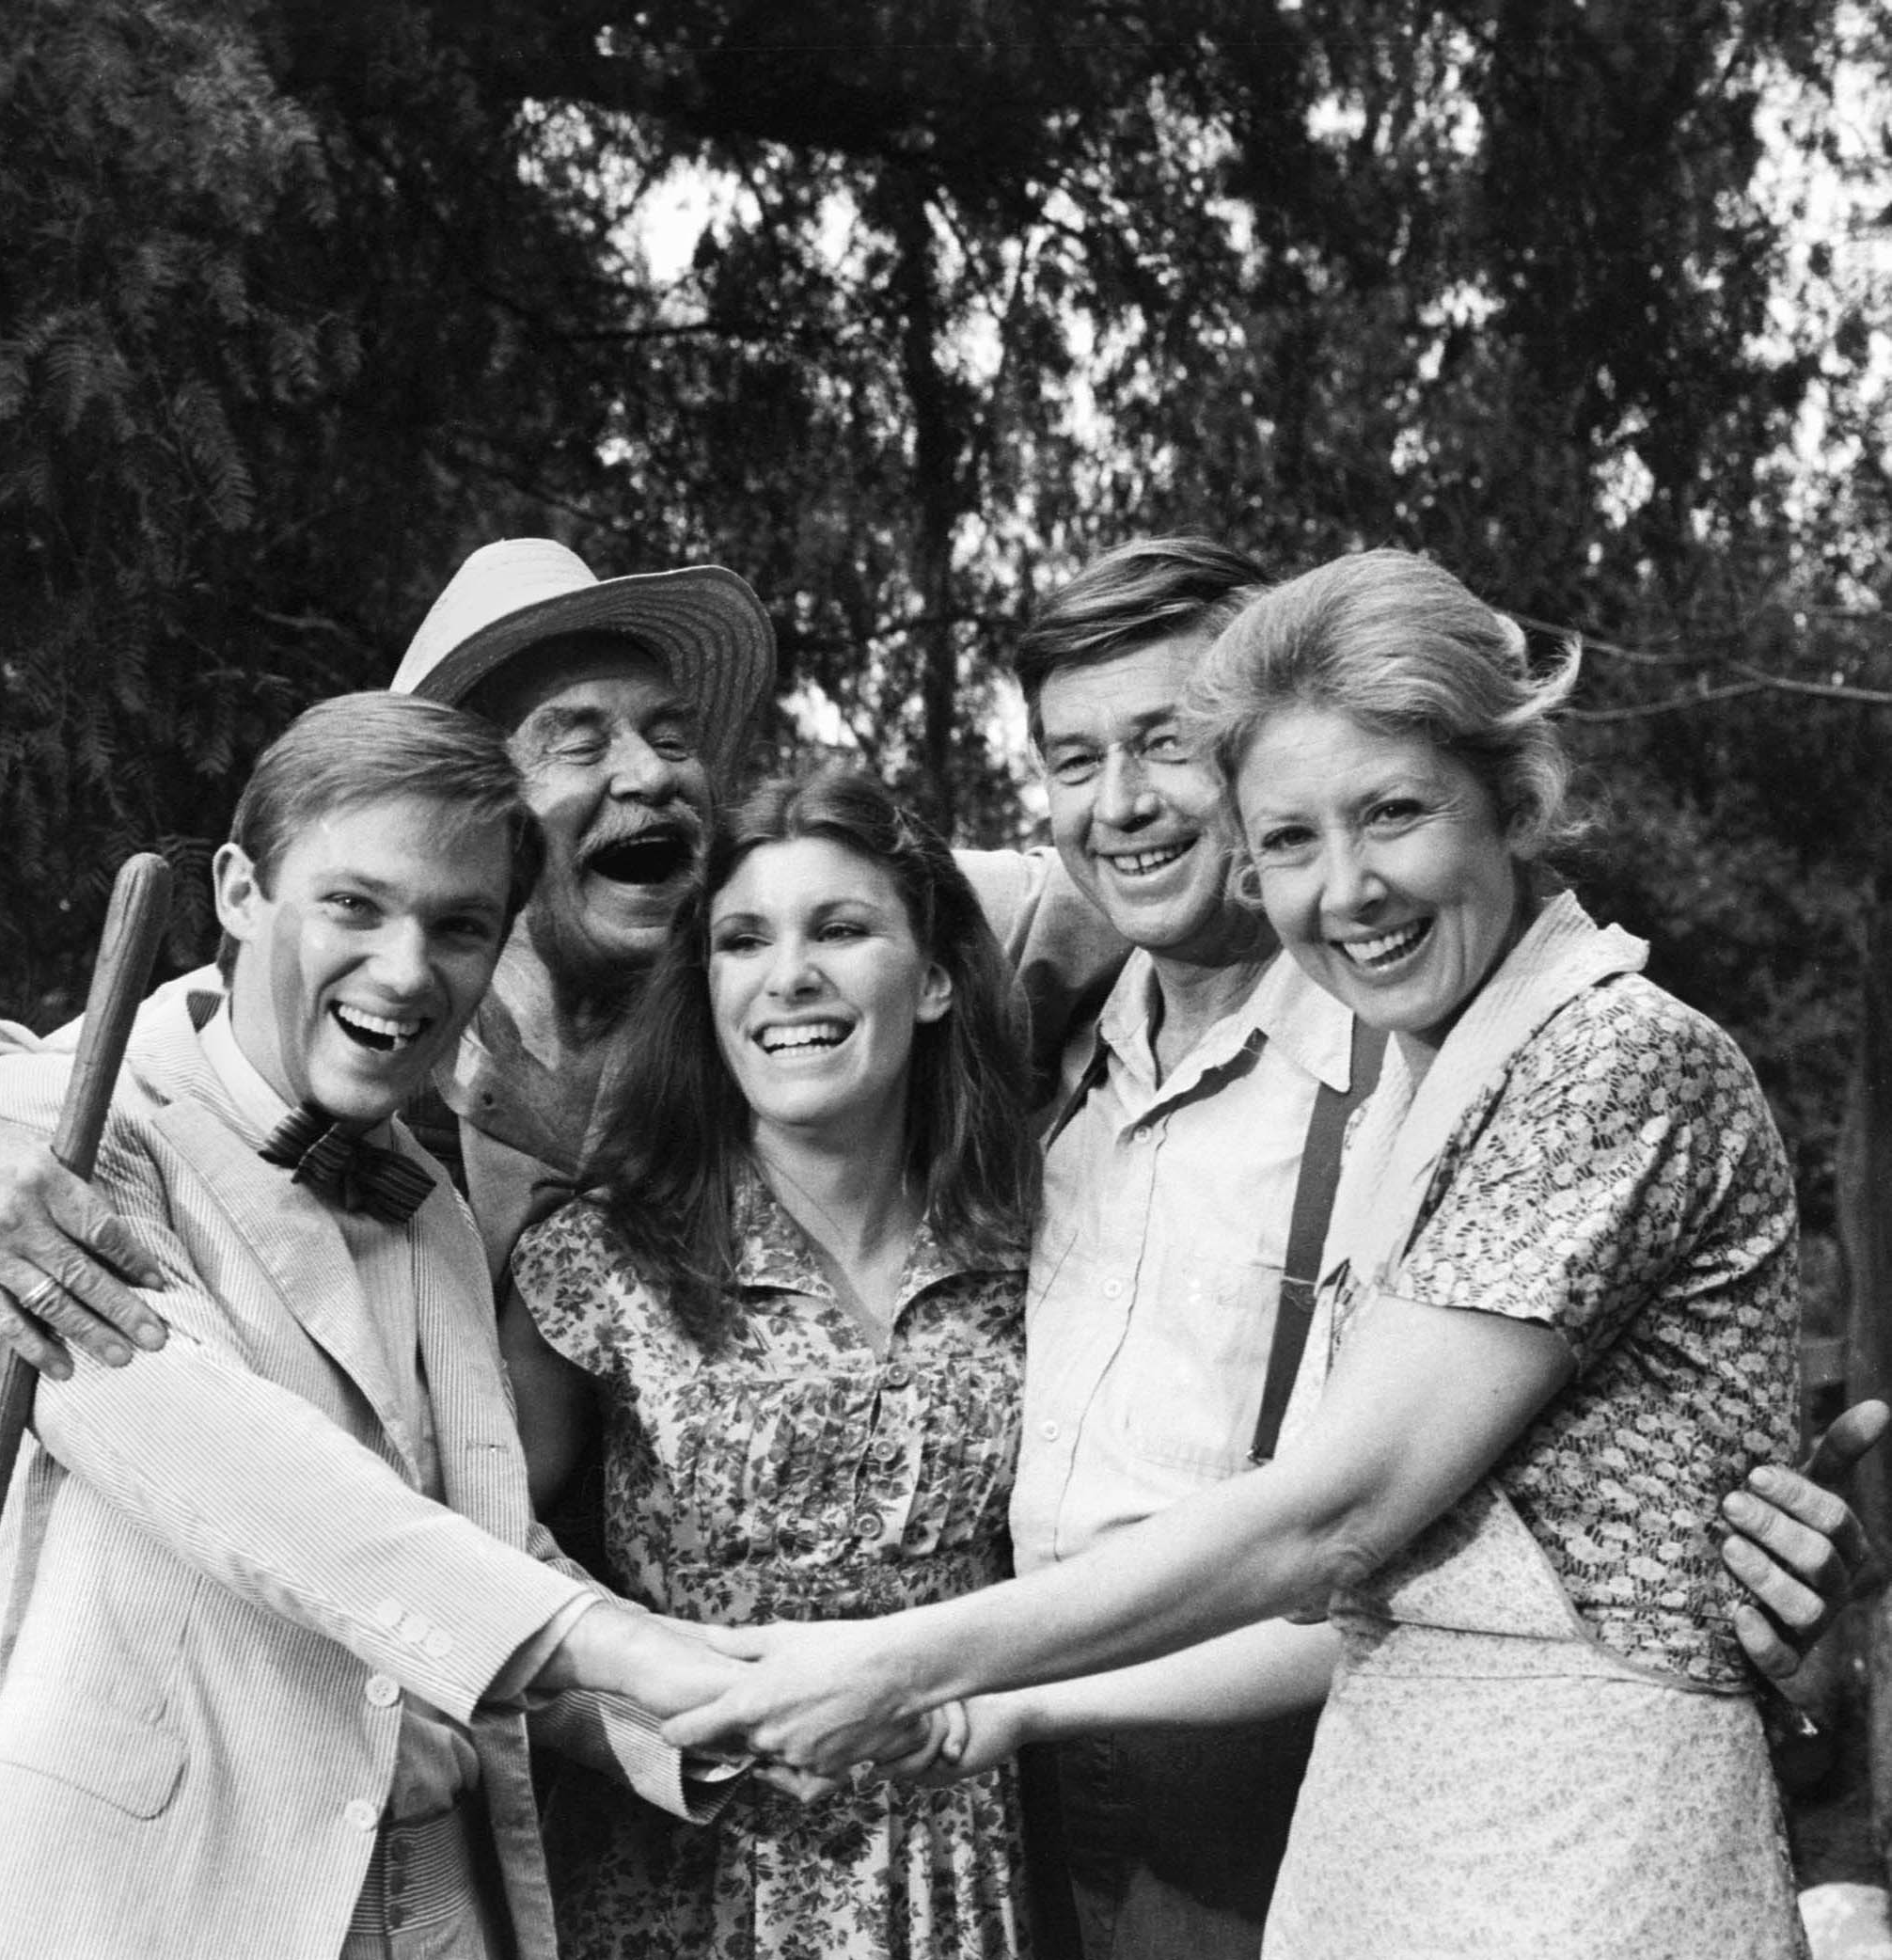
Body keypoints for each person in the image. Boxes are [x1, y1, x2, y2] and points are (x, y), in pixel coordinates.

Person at [667, 550, 1821, 1957]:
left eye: (1392, 812)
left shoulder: (1549, 1053)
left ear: (1512, 802)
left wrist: (897, 1659)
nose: (1346, 887)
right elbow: (803, 927)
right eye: (1291, 840)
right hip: (1089, 1777)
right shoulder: (1054, 1048)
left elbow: (1339, 1514)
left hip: (1415, 1804)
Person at [1002, 536, 1882, 1960]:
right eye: (1071, 758)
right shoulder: (1035, 1064)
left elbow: (1368, 1511)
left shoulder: (1496, 1047)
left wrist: (1796, 1657)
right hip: (1066, 1792)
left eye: (1163, 742)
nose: (1124, 803)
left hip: (1357, 1791)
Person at [0, 537, 1109, 1360]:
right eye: (579, 742)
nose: (653, 776)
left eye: (667, 731)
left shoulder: (793, 948)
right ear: (481, 816)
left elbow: (1120, 890)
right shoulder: (384, 1006)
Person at [0, 691, 741, 1960]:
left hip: (441, 1892)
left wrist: (717, 1714)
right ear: (244, 891)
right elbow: (241, 1480)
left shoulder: (422, 1203)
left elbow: (486, 1535)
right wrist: (626, 1649)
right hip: (166, 1899)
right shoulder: (49, 1122)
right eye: (354, 905)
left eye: (460, 925)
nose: (409, 971)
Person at [501, 761, 1040, 1956]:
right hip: (685, 1857)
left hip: (951, 1854)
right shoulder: (602, 1256)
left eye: (840, 928)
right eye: (741, 940)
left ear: (939, 976)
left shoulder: (1033, 1252)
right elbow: (485, 1561)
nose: (787, 974)